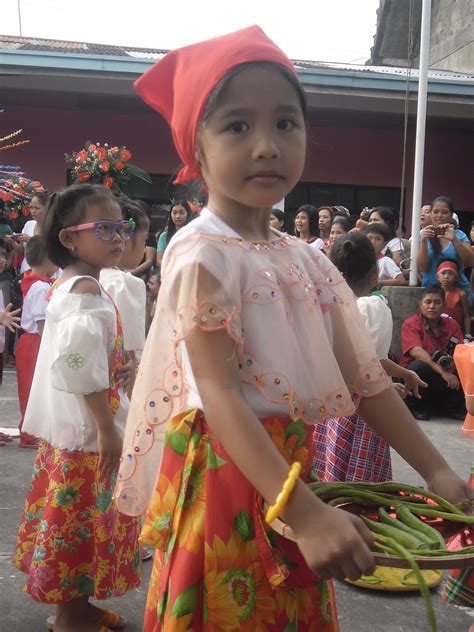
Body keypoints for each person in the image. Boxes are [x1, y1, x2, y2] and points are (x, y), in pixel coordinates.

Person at [114, 26, 472, 632]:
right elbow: (221, 395)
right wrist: (302, 512)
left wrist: (436, 470)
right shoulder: (203, 254)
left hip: (292, 469)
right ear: (194, 151)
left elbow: (366, 379)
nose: (266, 145)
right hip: (228, 469)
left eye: (286, 123)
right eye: (236, 126)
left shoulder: (303, 256)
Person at [13, 184, 141, 632]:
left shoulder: (75, 284)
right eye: (103, 228)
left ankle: (79, 609)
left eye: (120, 227)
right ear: (69, 239)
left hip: (77, 430)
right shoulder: (85, 289)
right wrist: (107, 428)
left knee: (82, 523)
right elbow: (80, 367)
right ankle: (71, 617)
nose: (118, 237)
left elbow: (86, 357)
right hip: (88, 435)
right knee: (82, 524)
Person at [315, 232, 426, 483]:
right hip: (364, 406)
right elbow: (370, 362)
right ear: (375, 273)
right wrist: (402, 374)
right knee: (359, 479)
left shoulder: (327, 304)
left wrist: (400, 373)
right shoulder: (372, 307)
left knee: (331, 467)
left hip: (331, 401)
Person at [400, 285, 466, 421]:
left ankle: (451, 408)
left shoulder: (451, 324)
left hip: (447, 371)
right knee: (417, 367)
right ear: (420, 304)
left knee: (466, 368)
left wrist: (452, 364)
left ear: (444, 305)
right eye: (428, 302)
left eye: (437, 302)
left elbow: (460, 351)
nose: (432, 306)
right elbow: (416, 351)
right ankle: (417, 407)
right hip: (426, 371)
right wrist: (442, 372)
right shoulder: (411, 323)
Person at [15, 236, 57, 449]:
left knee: (31, 387)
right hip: (35, 342)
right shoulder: (41, 287)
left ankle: (30, 431)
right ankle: (29, 433)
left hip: (30, 341)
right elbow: (42, 326)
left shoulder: (36, 282)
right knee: (33, 388)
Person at [100, 195, 149, 373]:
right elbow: (130, 352)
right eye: (144, 241)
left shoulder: (85, 277)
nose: (144, 250)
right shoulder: (127, 285)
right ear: (124, 239)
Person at [418, 196, 474, 304]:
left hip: (458, 297)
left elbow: (470, 261)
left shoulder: (459, 235)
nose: (439, 215)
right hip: (432, 296)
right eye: (435, 211)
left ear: (450, 214)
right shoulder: (425, 235)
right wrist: (424, 241)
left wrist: (454, 240)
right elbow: (423, 268)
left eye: (444, 212)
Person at [5, 192, 50, 273]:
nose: (33, 211)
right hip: (25, 273)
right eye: (31, 207)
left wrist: (31, 240)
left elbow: (51, 252)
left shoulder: (53, 228)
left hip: (45, 274)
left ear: (47, 208)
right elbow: (23, 251)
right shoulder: (29, 224)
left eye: (37, 208)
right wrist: (13, 242)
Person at [435, 260, 470, 335]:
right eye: (443, 273)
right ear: (437, 277)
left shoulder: (461, 294)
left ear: (456, 278)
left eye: (451, 273)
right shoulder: (433, 293)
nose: (446, 277)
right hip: (436, 332)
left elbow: (466, 316)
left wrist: (467, 334)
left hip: (455, 332)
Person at [155, 200, 192, 267]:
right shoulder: (164, 236)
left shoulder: (193, 235)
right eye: (174, 213)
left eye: (181, 213)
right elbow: (159, 260)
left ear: (187, 213)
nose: (177, 216)